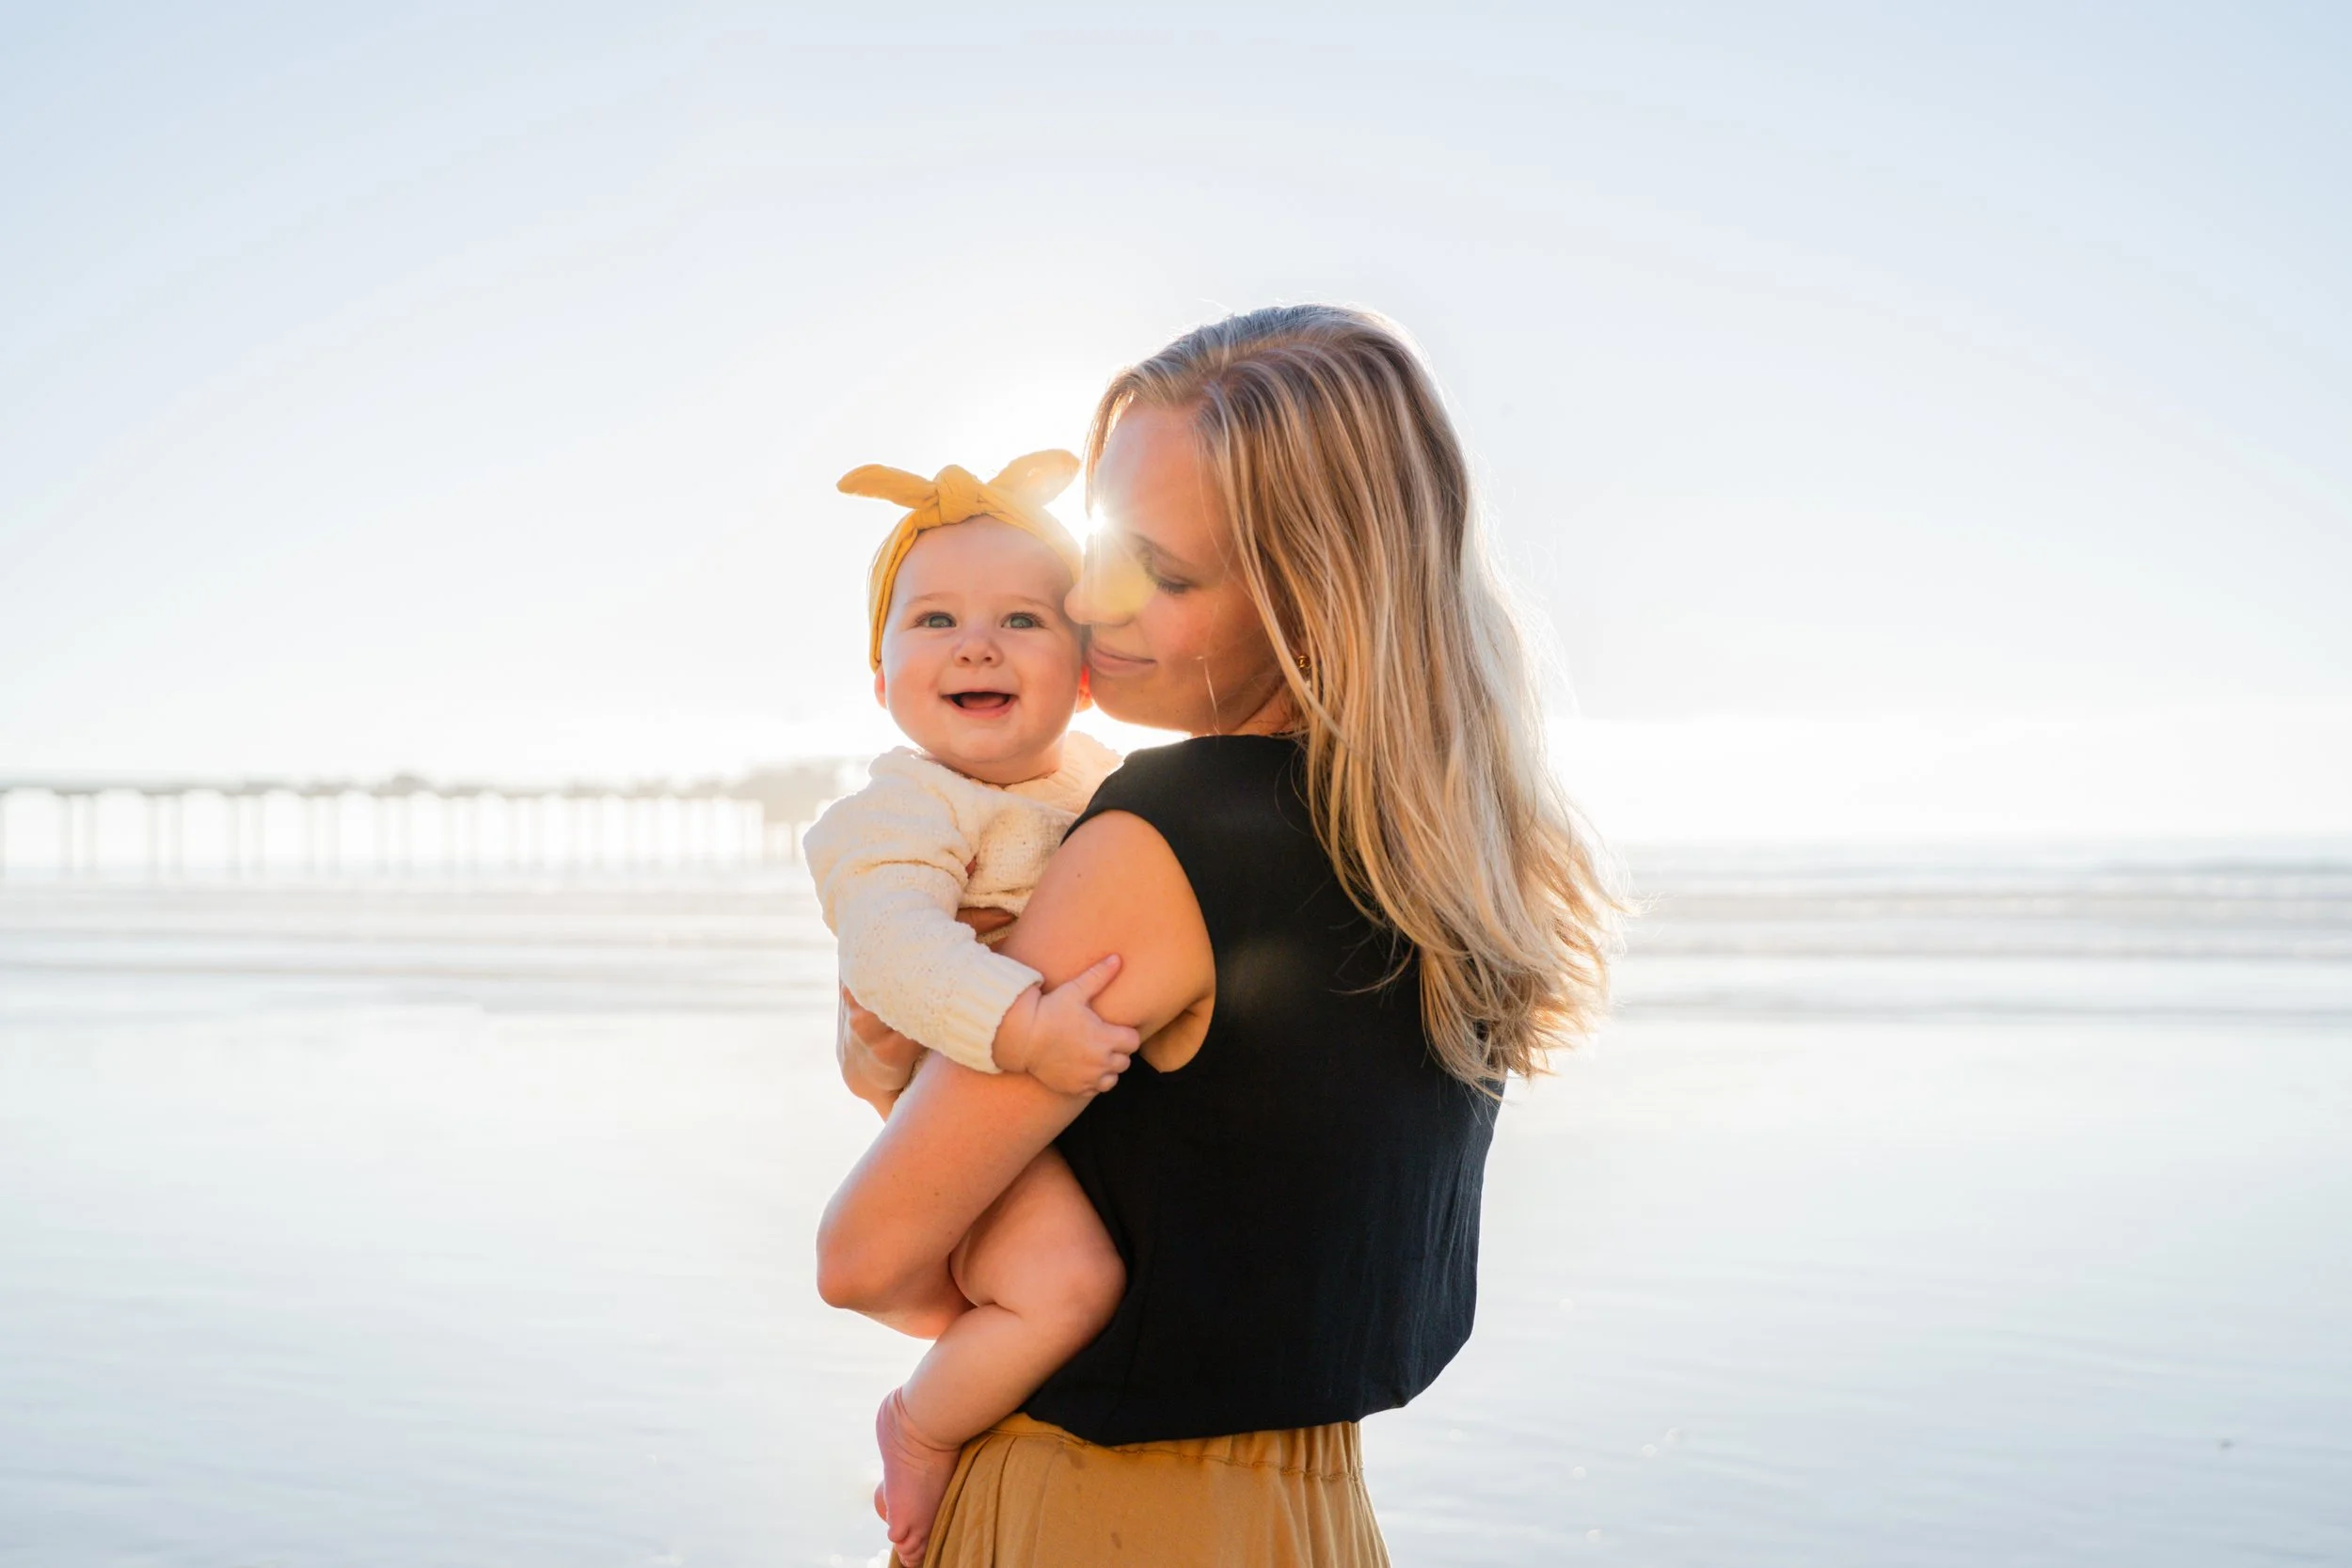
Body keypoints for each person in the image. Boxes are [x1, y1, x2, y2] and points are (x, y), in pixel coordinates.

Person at [819, 305, 1620, 1566]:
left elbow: (866, 1254)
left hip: (1090, 1513)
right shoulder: (1445, 863)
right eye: (1099, 544)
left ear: (1317, 600)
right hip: (1318, 1518)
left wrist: (885, 1074)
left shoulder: (1162, 839)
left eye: (1164, 573)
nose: (1089, 596)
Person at [804, 451, 1141, 1559]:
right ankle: (922, 1424)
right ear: (882, 676)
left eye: (1021, 619)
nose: (975, 643)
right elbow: (893, 949)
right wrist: (1023, 1029)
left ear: (1085, 674)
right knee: (1066, 1284)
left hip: (1061, 1093)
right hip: (984, 1084)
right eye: (934, 618)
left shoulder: (1096, 783)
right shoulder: (898, 810)